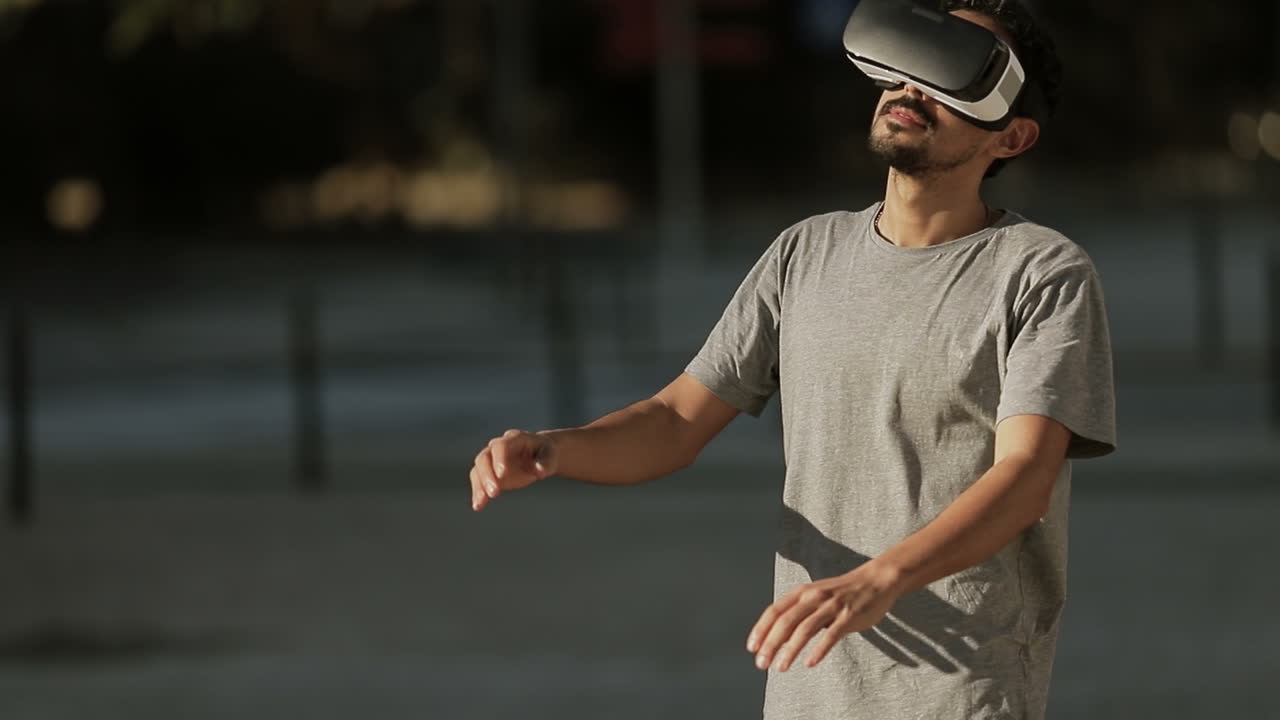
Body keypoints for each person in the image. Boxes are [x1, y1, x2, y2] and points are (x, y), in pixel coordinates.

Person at [467, 0, 1115, 717]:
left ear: (1013, 137)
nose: (912, 89)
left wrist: (882, 578)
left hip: (961, 694)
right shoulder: (804, 253)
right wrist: (555, 450)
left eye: (956, 74)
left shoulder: (1042, 272)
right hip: (808, 685)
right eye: (910, 64)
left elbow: (1024, 480)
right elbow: (676, 419)